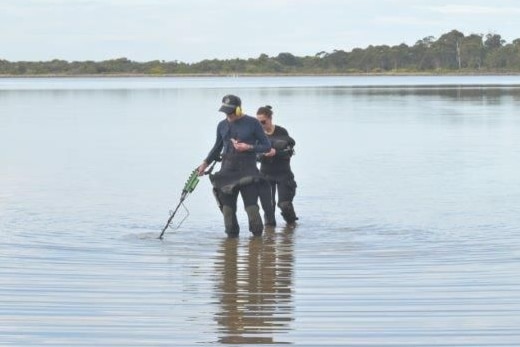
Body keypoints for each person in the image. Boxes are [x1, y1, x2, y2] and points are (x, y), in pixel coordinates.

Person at [197, 95, 271, 237]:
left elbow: (266, 146)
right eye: (225, 112)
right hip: (227, 173)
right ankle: (231, 247)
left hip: (248, 172)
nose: (228, 115)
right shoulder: (222, 125)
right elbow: (217, 148)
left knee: (252, 212)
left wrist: (248, 147)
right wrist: (205, 163)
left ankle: (257, 247)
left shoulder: (253, 123)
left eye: (230, 112)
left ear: (238, 110)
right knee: (228, 213)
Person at [256, 105, 298, 226]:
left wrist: (276, 152)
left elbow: (289, 152)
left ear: (270, 119)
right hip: (265, 174)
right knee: (269, 209)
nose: (261, 125)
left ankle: (291, 231)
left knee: (285, 205)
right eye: (258, 123)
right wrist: (263, 155)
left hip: (283, 174)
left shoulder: (282, 131)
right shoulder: (257, 134)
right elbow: (254, 154)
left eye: (263, 122)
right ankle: (269, 238)